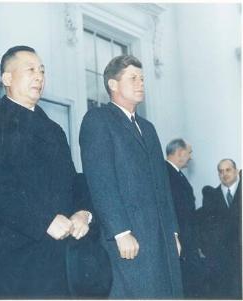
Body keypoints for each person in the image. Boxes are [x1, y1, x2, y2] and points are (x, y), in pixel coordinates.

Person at [0, 45, 91, 299]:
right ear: (7, 78)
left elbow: (72, 181)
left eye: (42, 71)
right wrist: (43, 221)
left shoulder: (54, 129)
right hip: (10, 266)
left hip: (58, 263)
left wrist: (83, 212)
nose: (39, 77)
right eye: (30, 69)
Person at [79, 54, 183, 299]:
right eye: (133, 78)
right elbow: (100, 181)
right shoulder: (98, 120)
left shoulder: (148, 128)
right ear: (113, 85)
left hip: (161, 239)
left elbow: (162, 186)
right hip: (130, 239)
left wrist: (173, 233)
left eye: (143, 78)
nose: (140, 83)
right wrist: (121, 232)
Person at [165, 138, 206, 298]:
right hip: (180, 241)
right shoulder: (166, 173)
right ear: (180, 153)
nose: (190, 157)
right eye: (189, 153)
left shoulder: (175, 173)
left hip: (186, 240)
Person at [199, 159, 242, 299]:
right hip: (221, 262)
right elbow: (205, 227)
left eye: (228, 170)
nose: (224, 174)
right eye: (221, 171)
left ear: (236, 170)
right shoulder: (211, 195)